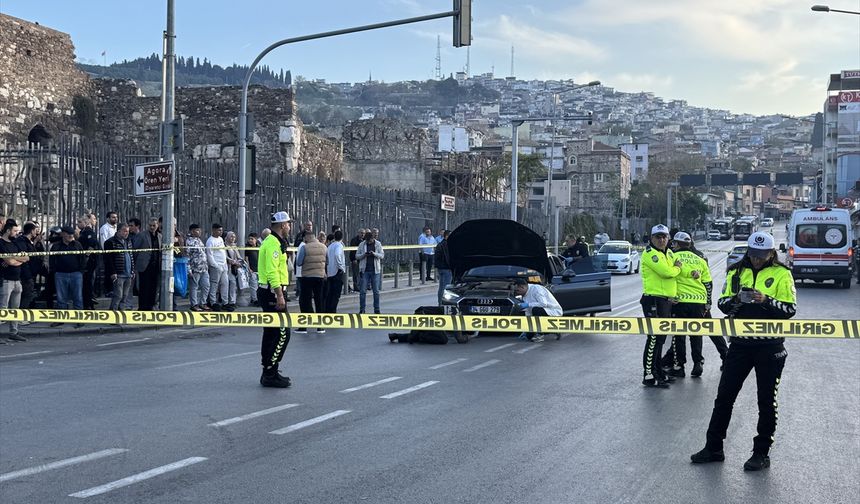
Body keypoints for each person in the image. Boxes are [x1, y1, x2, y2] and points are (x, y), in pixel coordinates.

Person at [691, 232, 796, 471]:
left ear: (771, 253)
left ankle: (761, 453)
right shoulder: (735, 272)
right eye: (753, 255)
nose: (757, 260)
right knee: (724, 397)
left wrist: (765, 300)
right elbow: (722, 303)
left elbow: (790, 309)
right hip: (740, 345)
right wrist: (738, 299)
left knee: (766, 402)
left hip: (770, 347)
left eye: (762, 256)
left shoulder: (783, 274)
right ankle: (713, 447)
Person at [661, 231, 727, 378]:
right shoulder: (700, 258)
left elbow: (667, 277)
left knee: (679, 335)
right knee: (698, 334)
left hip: (680, 301)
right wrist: (707, 303)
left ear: (675, 244)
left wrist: (669, 297)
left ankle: (679, 366)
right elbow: (708, 283)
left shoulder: (672, 257)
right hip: (699, 302)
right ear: (690, 243)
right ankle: (698, 362)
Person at [639, 224, 682, 388]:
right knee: (653, 338)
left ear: (668, 238)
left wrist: (674, 295)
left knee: (661, 339)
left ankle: (659, 371)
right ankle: (649, 374)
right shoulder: (651, 254)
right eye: (658, 237)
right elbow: (667, 273)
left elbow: (673, 278)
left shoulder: (669, 252)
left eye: (664, 236)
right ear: (651, 239)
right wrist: (677, 267)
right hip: (653, 300)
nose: (661, 240)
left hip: (665, 301)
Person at [257, 211, 293, 388]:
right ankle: (270, 371)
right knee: (283, 333)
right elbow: (272, 271)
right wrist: (279, 295)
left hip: (271, 291)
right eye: (288, 223)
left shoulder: (274, 242)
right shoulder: (272, 244)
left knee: (271, 333)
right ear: (282, 225)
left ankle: (269, 370)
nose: (289, 226)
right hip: (272, 292)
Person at [0, 219, 30, 342]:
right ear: (8, 230)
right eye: (15, 231)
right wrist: (18, 260)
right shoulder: (1, 243)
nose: (17, 233)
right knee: (3, 308)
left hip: (17, 280)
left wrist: (16, 260)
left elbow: (27, 257)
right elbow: (9, 262)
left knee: (15, 308)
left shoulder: (15, 243)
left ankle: (14, 331)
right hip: (6, 280)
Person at [295, 231, 327, 334]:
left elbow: (299, 263)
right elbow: (328, 261)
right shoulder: (324, 247)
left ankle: (304, 327)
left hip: (307, 277)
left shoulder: (305, 247)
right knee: (319, 301)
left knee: (305, 301)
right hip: (320, 277)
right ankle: (320, 327)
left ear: (306, 238)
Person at [513, 278, 563, 343]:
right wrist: (527, 330)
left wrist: (528, 304)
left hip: (553, 311)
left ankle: (540, 335)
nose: (517, 293)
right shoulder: (524, 295)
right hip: (543, 312)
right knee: (529, 336)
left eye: (517, 290)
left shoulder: (536, 289)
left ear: (522, 287)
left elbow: (543, 304)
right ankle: (552, 330)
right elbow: (528, 312)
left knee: (536, 310)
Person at [51, 225, 86, 313]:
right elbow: (52, 260)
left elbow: (83, 258)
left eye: (72, 234)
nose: (71, 236)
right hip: (61, 274)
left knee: (77, 297)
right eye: (68, 234)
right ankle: (62, 318)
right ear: (63, 234)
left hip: (76, 274)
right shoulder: (56, 246)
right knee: (61, 298)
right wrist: (55, 271)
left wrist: (81, 271)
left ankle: (79, 318)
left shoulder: (77, 244)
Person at [104, 223, 135, 310]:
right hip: (119, 274)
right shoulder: (110, 242)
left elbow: (131, 256)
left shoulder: (128, 241)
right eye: (124, 231)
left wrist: (132, 270)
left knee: (125, 296)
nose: (127, 233)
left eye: (128, 231)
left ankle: (121, 314)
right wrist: (113, 272)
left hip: (128, 273)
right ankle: (113, 315)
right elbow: (108, 260)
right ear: (118, 231)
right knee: (118, 296)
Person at [132, 218, 161, 311]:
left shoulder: (160, 236)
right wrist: (136, 263)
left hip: (156, 266)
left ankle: (151, 306)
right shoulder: (142, 235)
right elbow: (135, 250)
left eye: (154, 225)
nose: (152, 227)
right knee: (144, 288)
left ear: (157, 226)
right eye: (150, 225)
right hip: (144, 266)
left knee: (154, 288)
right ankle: (142, 308)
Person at [357, 231, 384, 314]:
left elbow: (382, 255)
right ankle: (362, 309)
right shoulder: (362, 244)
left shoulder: (378, 244)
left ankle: (377, 309)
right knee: (362, 292)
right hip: (364, 270)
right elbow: (357, 256)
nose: (369, 242)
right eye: (367, 241)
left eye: (370, 241)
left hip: (375, 270)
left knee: (376, 291)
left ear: (373, 238)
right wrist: (364, 255)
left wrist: (374, 254)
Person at [15, 221, 40, 310]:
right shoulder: (22, 241)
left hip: (31, 272)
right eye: (35, 230)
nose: (36, 232)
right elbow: (24, 256)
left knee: (28, 294)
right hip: (26, 272)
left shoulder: (30, 241)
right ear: (31, 231)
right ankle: (21, 317)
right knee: (27, 294)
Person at [186, 224, 210, 312]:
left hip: (204, 267)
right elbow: (187, 256)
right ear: (192, 231)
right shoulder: (189, 242)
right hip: (195, 268)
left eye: (200, 230)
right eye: (197, 230)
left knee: (206, 285)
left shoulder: (199, 240)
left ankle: (203, 302)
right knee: (194, 287)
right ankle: (194, 304)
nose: (199, 232)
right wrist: (188, 269)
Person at [76, 215, 99, 310]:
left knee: (87, 283)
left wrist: (86, 258)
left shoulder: (88, 232)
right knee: (85, 283)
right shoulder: (83, 232)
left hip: (89, 263)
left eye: (79, 222)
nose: (77, 224)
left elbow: (91, 245)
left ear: (85, 223)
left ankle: (88, 304)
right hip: (87, 262)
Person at [206, 223, 229, 311]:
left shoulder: (221, 239)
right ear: (214, 230)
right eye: (219, 230)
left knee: (225, 283)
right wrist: (215, 265)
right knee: (214, 284)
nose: (221, 232)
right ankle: (212, 302)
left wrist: (226, 262)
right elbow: (210, 255)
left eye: (221, 230)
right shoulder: (210, 241)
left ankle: (225, 302)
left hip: (224, 265)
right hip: (216, 266)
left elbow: (223, 252)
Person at [324, 230, 346, 314]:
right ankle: (333, 310)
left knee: (330, 293)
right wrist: (341, 267)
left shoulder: (330, 246)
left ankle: (327, 309)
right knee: (336, 294)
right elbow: (337, 255)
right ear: (342, 237)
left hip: (330, 271)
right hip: (337, 272)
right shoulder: (339, 246)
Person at [435, 230, 452, 305]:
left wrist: (437, 268)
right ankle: (444, 304)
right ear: (447, 236)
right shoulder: (448, 245)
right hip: (446, 269)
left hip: (440, 269)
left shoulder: (439, 244)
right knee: (446, 287)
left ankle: (440, 303)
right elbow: (448, 258)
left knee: (441, 287)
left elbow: (436, 258)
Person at [244, 233, 260, 306]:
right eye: (249, 239)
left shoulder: (259, 246)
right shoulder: (247, 247)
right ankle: (255, 300)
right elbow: (246, 259)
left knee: (259, 286)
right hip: (252, 270)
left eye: (252, 239)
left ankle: (256, 298)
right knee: (253, 286)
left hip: (259, 269)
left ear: (256, 240)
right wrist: (249, 268)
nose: (250, 240)